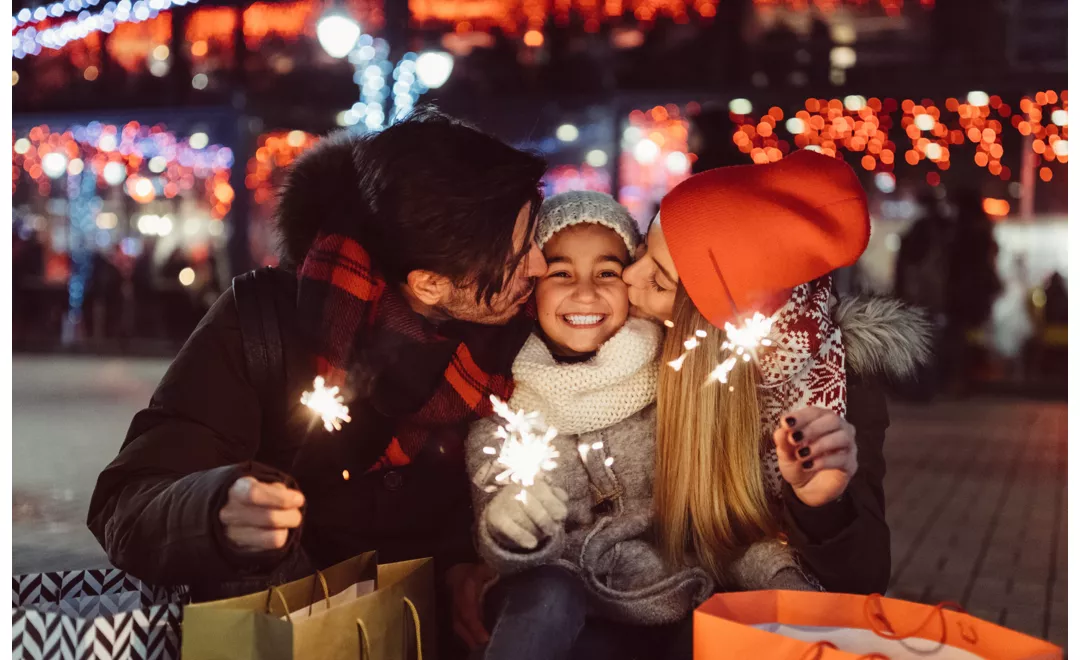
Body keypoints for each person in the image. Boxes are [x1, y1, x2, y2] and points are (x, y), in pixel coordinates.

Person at [86, 110, 548, 658]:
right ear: (429, 284)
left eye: (534, 237)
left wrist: (466, 568)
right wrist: (216, 510)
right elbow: (126, 502)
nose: (540, 265)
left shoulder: (524, 338)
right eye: (518, 254)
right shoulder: (263, 324)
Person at [465, 192, 810, 660]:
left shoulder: (677, 390)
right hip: (560, 622)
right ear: (532, 288)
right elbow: (502, 543)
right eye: (561, 273)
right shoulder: (504, 414)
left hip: (668, 612)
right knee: (550, 591)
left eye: (607, 272)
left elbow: (721, 532)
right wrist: (511, 527)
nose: (585, 292)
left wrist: (781, 578)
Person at [622, 151, 932, 605]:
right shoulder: (630, 348)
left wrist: (822, 504)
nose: (629, 276)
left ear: (708, 326)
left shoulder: (840, 383)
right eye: (641, 250)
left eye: (660, 281)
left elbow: (863, 580)